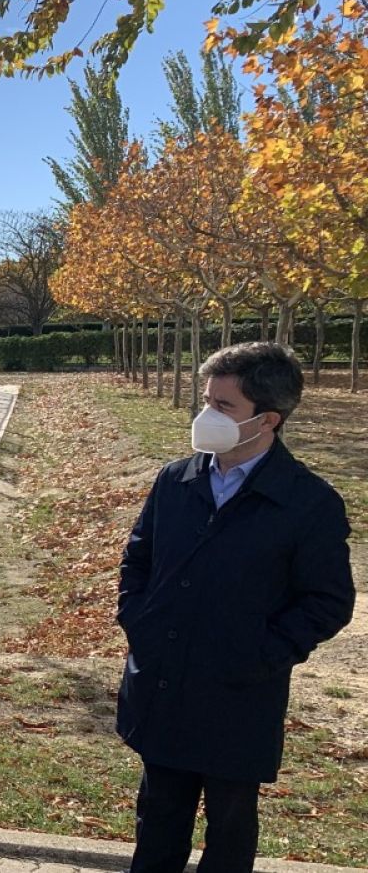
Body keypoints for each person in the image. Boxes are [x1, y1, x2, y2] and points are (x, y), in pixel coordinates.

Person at [115, 341, 354, 873]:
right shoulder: (176, 480)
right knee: (158, 820)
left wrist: (261, 654)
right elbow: (139, 558)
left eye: (223, 406)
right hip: (164, 683)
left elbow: (328, 601)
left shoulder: (308, 502)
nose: (206, 415)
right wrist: (139, 622)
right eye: (206, 400)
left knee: (229, 828)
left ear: (267, 420)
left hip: (238, 696)